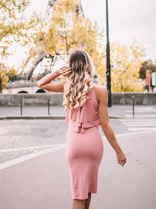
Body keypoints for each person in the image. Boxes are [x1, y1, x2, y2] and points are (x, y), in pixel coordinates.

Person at [37, 48, 127, 209]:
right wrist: (118, 151)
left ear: (70, 66)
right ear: (88, 66)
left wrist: (57, 72)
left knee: (79, 193)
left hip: (75, 143)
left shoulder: (66, 86)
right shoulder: (100, 91)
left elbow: (40, 83)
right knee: (88, 190)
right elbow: (105, 125)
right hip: (93, 143)